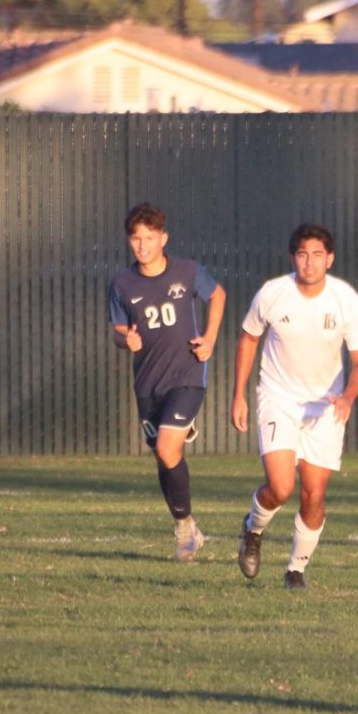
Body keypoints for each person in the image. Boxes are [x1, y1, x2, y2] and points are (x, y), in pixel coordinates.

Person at [230, 223, 358, 590]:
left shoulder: (345, 300)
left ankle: (296, 569)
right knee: (280, 487)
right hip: (279, 398)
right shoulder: (273, 294)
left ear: (330, 259)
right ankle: (253, 529)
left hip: (326, 406)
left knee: (315, 493)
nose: (310, 262)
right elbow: (248, 339)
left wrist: (347, 397)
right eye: (303, 254)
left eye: (317, 254)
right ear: (293, 258)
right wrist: (239, 395)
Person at [109, 203, 226, 562]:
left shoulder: (187, 272)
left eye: (149, 237)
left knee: (166, 448)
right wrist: (124, 339)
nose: (142, 245)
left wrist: (209, 339)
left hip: (187, 375)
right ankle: (187, 523)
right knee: (165, 457)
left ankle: (183, 532)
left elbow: (218, 295)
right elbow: (118, 328)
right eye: (136, 238)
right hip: (148, 382)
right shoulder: (122, 283)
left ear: (164, 238)